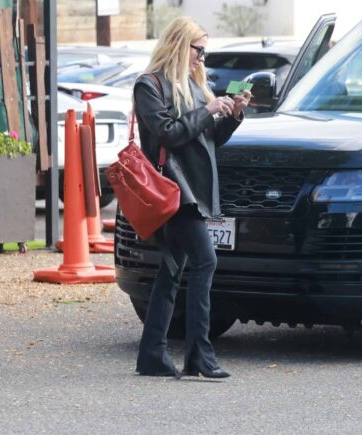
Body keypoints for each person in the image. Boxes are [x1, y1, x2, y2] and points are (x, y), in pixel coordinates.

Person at [133, 16, 251, 379]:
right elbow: (168, 133)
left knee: (171, 272)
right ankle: (199, 354)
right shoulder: (149, 85)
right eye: (198, 49)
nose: (202, 57)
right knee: (206, 261)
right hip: (172, 191)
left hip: (195, 189)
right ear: (180, 45)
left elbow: (210, 138)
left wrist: (232, 115)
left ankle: (152, 356)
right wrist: (208, 110)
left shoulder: (196, 86)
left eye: (204, 50)